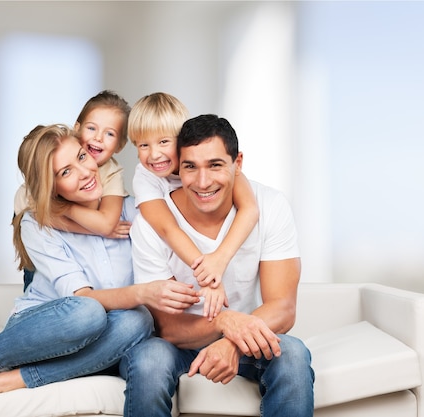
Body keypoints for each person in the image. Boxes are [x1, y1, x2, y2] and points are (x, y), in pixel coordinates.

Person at [0, 124, 200, 417]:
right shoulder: (38, 224)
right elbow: (84, 298)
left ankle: (4, 382)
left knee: (138, 321)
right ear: (51, 185)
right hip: (47, 328)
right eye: (65, 172)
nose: (84, 173)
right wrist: (142, 292)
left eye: (82, 157)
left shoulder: (134, 210)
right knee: (88, 312)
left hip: (112, 337)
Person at [120, 114, 315, 417]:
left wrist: (233, 343)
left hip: (246, 337)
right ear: (177, 166)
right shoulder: (150, 224)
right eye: (190, 167)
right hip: (179, 344)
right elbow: (168, 328)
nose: (203, 181)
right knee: (149, 359)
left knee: (291, 354)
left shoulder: (270, 205)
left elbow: (283, 308)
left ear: (237, 163)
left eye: (215, 165)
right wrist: (223, 322)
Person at [127, 92, 259, 319]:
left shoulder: (214, 163)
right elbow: (168, 228)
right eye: (143, 145)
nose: (154, 154)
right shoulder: (145, 178)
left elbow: (250, 209)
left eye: (164, 142)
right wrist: (208, 276)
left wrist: (219, 259)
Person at [15, 90, 132, 290]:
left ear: (120, 145)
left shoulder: (111, 173)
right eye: (92, 128)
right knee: (37, 278)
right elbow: (34, 216)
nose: (98, 138)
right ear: (77, 129)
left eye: (110, 133)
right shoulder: (39, 179)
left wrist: (63, 209)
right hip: (42, 250)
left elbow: (106, 224)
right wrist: (65, 211)